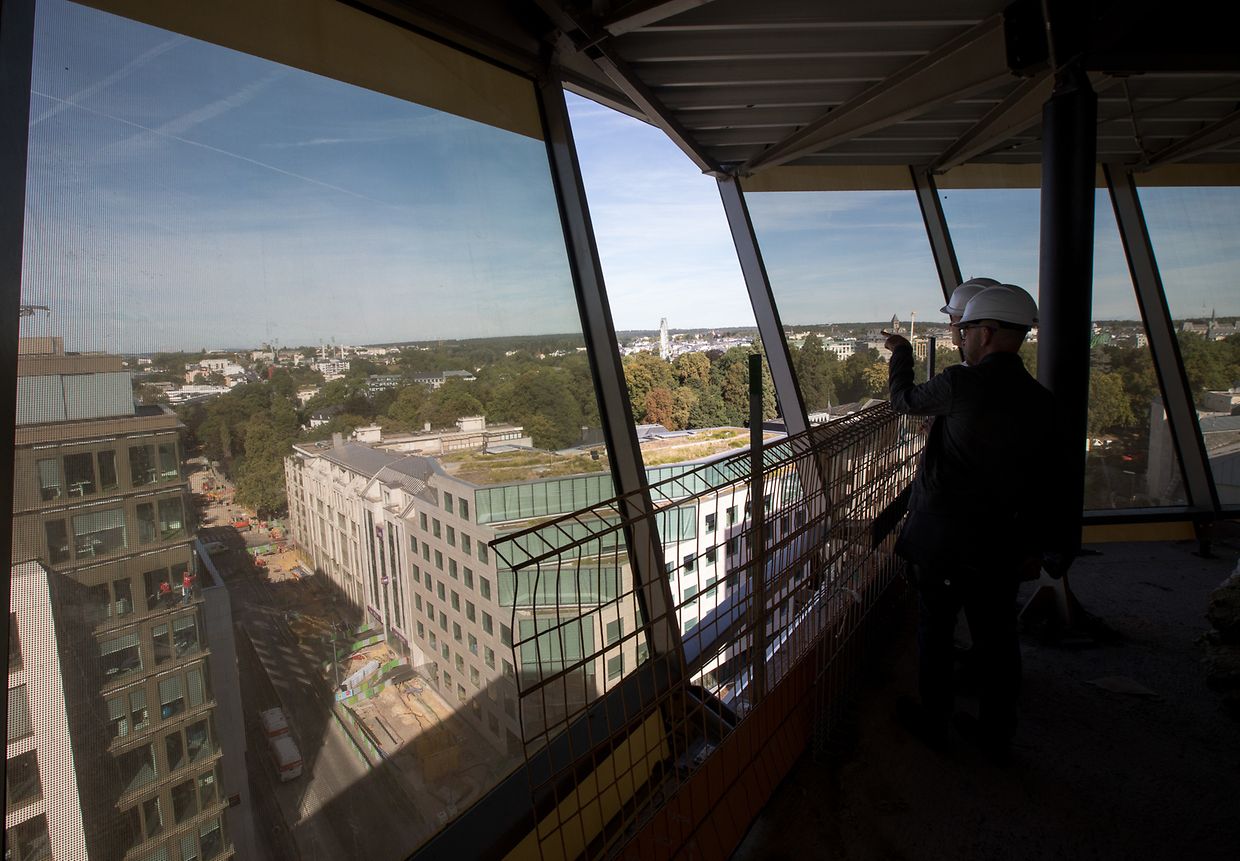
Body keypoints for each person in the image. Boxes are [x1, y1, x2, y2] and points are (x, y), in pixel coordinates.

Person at [882, 284, 1068, 761]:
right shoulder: (1041, 400)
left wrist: (901, 353)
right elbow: (1046, 480)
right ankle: (995, 733)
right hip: (1002, 545)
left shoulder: (961, 385)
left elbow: (903, 401)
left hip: (946, 542)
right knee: (998, 640)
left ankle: (935, 721)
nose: (958, 338)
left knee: (936, 632)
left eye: (963, 330)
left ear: (985, 334)